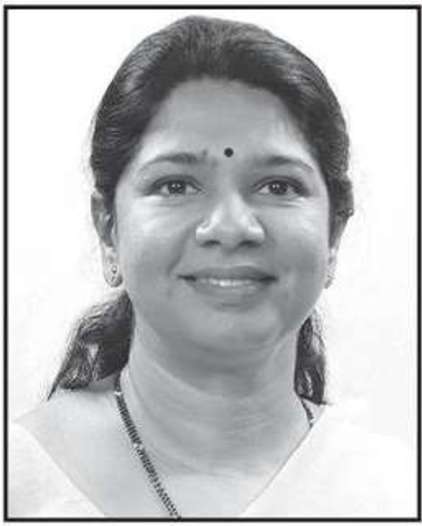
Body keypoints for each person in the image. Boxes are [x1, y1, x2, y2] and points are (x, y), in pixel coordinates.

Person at [9, 15, 414, 518]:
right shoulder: (18, 481)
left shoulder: (394, 493)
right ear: (108, 229)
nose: (231, 226)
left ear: (333, 234)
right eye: (176, 185)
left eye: (278, 186)